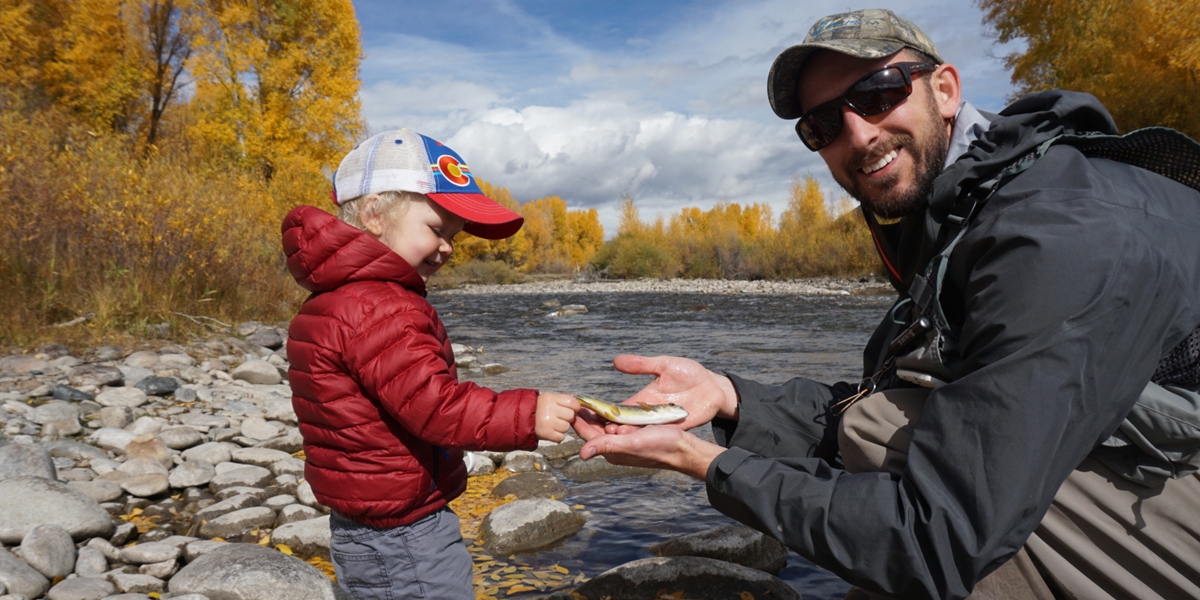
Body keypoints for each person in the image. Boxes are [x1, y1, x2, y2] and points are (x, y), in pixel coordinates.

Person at [574, 8, 1200, 600]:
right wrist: (729, 397)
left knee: (895, 451)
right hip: (1150, 481)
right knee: (878, 426)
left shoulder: (1060, 235)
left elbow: (938, 533)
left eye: (877, 93)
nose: (859, 134)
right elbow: (877, 400)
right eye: (822, 124)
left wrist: (703, 462)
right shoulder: (958, 217)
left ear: (946, 90)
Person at [282, 129, 580, 600]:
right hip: (404, 533)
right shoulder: (381, 306)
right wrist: (528, 413)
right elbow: (436, 408)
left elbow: (404, 394)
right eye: (437, 230)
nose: (448, 248)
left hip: (365, 517)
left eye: (454, 236)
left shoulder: (337, 298)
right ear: (374, 215)